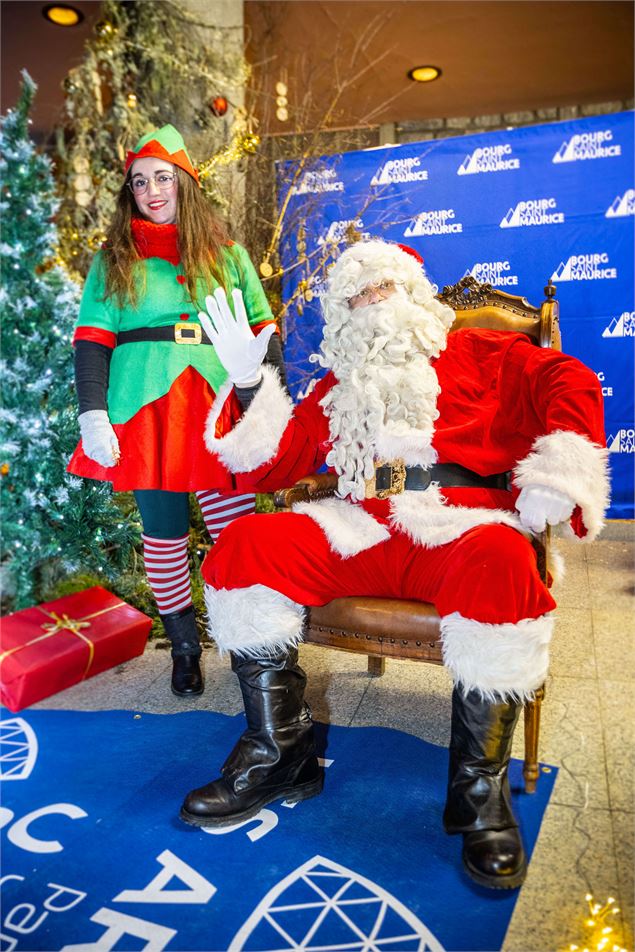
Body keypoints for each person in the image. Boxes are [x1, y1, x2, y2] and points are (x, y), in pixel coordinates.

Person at [179, 239, 609, 889]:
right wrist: (247, 384)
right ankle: (278, 753)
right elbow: (271, 465)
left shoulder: (482, 352)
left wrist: (557, 469)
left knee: (499, 558)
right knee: (248, 546)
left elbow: (568, 379)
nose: (370, 305)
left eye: (381, 289)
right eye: (354, 297)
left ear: (412, 294)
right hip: (359, 526)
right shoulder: (337, 386)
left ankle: (477, 795)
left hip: (460, 523)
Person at [67, 124, 283, 698]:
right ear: (130, 192)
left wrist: (263, 404)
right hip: (146, 409)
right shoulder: (113, 260)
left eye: (163, 177)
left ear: (185, 183)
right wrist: (93, 413)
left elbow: (266, 336)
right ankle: (185, 648)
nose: (152, 189)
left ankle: (249, 647)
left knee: (236, 535)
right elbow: (91, 339)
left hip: (217, 405)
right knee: (163, 536)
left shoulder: (230, 255)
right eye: (140, 181)